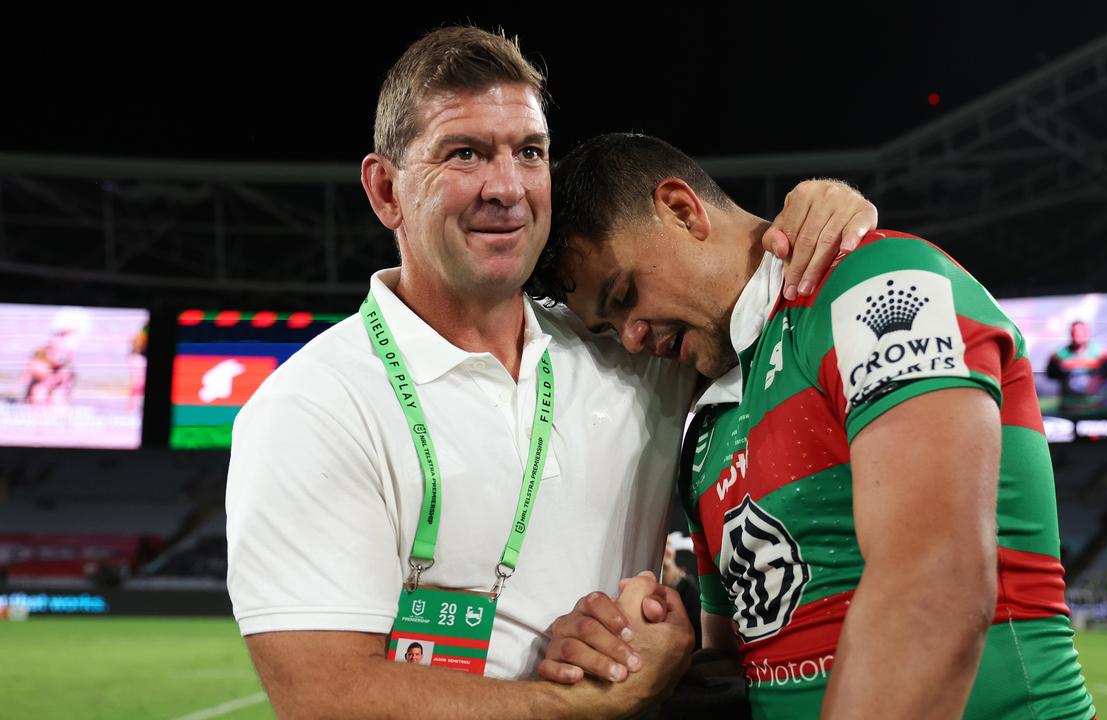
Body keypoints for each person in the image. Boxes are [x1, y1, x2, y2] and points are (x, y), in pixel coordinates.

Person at [225, 27, 878, 720]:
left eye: (528, 152)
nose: (506, 187)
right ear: (386, 190)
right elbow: (327, 697)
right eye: (465, 153)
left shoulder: (631, 350)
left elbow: (744, 291)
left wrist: (822, 212)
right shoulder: (312, 407)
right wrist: (594, 701)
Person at [526, 133, 1097, 719]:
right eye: (608, 325)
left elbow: (935, 587)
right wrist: (644, 653)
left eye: (624, 295)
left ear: (681, 209)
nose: (631, 337)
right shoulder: (704, 430)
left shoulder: (877, 282)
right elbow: (743, 667)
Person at [1045, 320, 1107, 418]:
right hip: (1069, 405)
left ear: (1087, 333)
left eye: (1080, 332)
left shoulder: (1100, 352)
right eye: (1074, 332)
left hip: (1093, 405)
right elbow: (1051, 373)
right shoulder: (1059, 354)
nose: (1077, 335)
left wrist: (1096, 377)